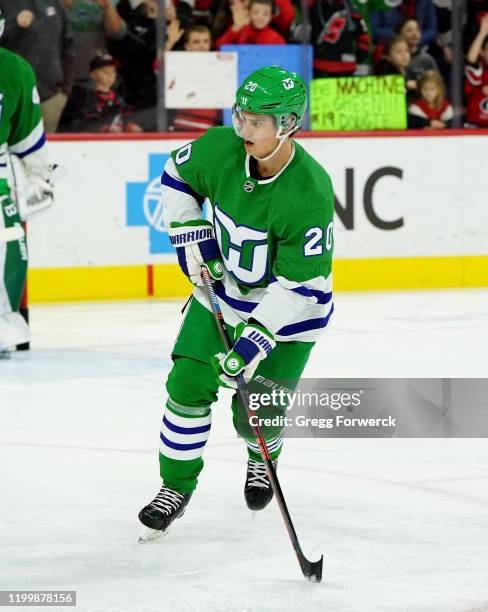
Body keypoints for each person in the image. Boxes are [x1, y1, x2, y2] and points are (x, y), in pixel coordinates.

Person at [137, 65, 335, 541]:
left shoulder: (310, 192)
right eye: (239, 116)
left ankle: (259, 455)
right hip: (221, 297)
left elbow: (299, 286)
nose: (242, 128)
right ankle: (175, 488)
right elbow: (176, 175)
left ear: (287, 125)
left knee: (256, 415)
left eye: (255, 122)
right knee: (186, 384)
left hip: (289, 316)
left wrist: (253, 344)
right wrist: (190, 233)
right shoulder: (220, 147)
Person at [0, 11, 56, 355]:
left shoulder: (14, 70)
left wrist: (39, 177)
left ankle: (4, 320)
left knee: (8, 241)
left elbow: (28, 140)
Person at [0, 0, 75, 133]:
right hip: (11, 99)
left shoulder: (55, 4)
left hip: (50, 99)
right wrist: (14, 24)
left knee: (45, 151)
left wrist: (64, 91)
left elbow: (68, 46)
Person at [167, 25, 223, 131]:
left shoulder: (220, 66)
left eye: (206, 41)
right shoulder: (178, 64)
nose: (202, 45)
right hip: (182, 128)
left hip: (209, 129)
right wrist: (169, 43)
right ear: (187, 46)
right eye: (196, 42)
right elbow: (159, 68)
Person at [310, 0, 371, 78]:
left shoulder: (351, 11)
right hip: (321, 65)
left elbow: (363, 36)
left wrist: (359, 56)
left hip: (346, 67)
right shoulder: (314, 9)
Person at [216, 0, 285, 47]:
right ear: (249, 14)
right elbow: (220, 47)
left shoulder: (277, 39)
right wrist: (236, 28)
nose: (260, 17)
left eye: (265, 14)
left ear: (270, 17)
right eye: (256, 12)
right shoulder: (239, 31)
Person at [375, 35, 418, 102]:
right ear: (388, 57)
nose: (404, 55)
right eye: (399, 52)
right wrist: (406, 85)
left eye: (407, 51)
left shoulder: (409, 72)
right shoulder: (387, 72)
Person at [464, 14, 488, 127]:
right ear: (482, 52)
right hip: (475, 125)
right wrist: (482, 33)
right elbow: (471, 60)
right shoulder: (480, 69)